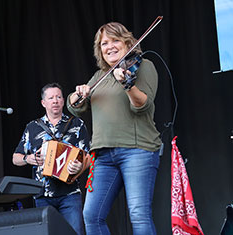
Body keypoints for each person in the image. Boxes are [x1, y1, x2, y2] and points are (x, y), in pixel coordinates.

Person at [67, 22, 162, 235]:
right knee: (91, 216)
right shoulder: (99, 76)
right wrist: (77, 95)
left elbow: (142, 106)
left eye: (115, 40)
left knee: (138, 215)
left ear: (127, 41)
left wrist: (127, 85)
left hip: (137, 150)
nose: (109, 46)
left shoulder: (144, 66)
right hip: (103, 155)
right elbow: (75, 108)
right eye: (104, 43)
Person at [13, 83, 90, 235]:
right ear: (43, 103)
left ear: (63, 101)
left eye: (59, 97)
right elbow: (15, 158)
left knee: (75, 233)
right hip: (42, 195)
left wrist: (79, 168)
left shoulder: (77, 124)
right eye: (51, 98)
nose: (55, 101)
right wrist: (28, 159)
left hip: (70, 193)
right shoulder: (32, 127)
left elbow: (88, 156)